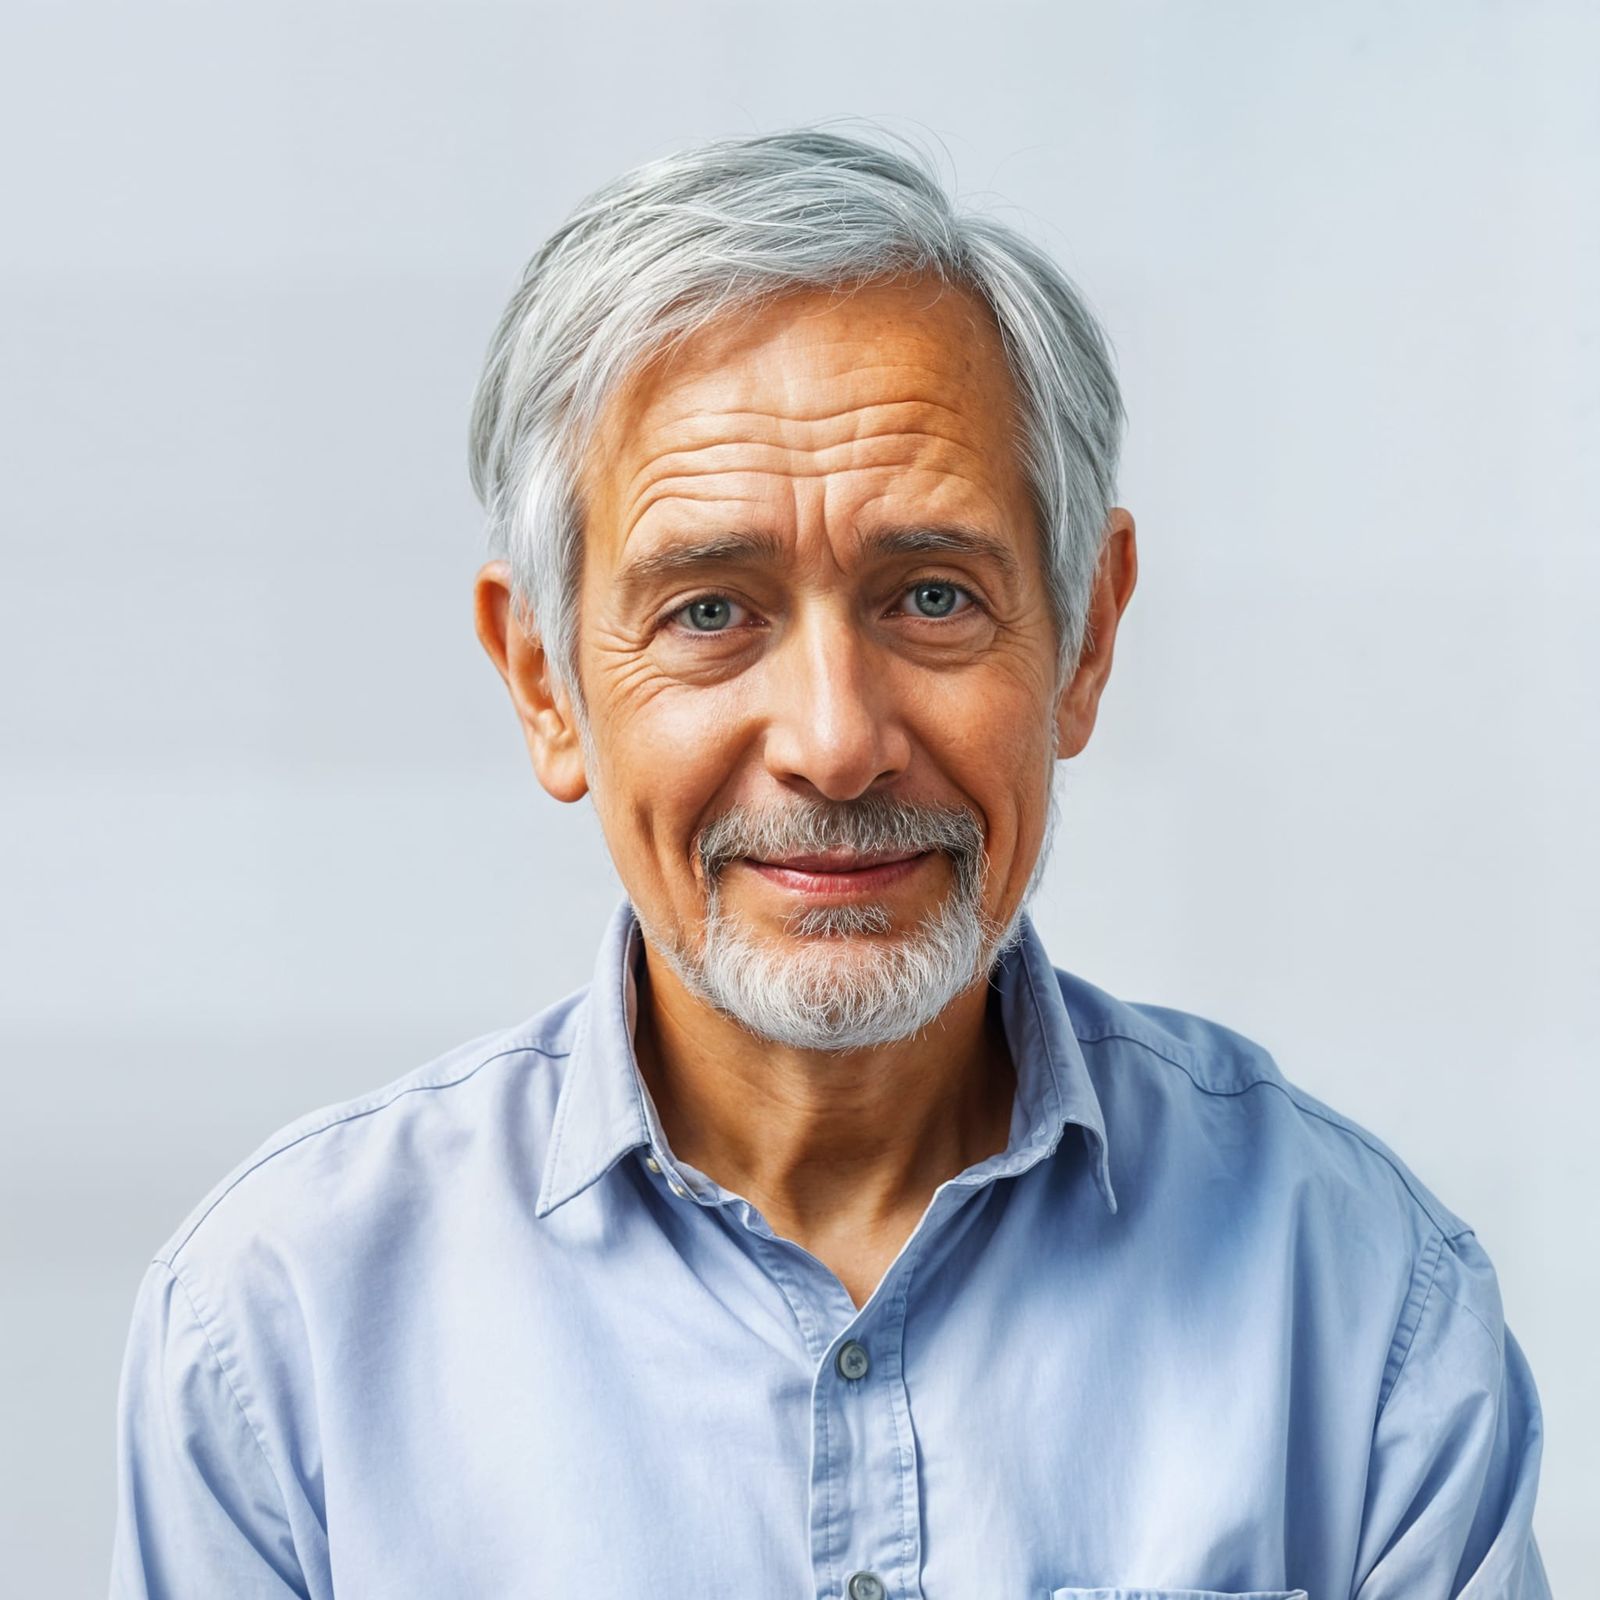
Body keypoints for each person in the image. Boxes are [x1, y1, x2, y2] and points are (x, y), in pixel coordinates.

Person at [109, 127, 1549, 1599]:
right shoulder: (276, 1334)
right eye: (709, 612)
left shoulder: (1364, 1305)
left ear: (1086, 638)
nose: (835, 743)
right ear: (546, 683)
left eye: (932, 596)